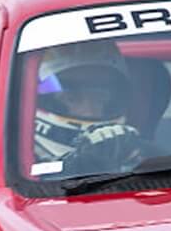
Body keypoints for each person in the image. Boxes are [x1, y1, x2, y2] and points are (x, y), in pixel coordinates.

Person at [30, 41, 145, 174]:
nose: (89, 112)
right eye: (71, 98)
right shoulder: (15, 166)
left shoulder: (141, 154)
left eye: (100, 97)